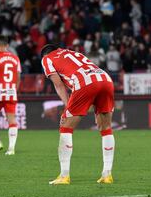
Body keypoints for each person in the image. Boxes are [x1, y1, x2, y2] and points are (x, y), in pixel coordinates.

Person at [41, 44, 115, 185]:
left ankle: (64, 176)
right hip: (105, 78)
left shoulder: (47, 59)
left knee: (65, 128)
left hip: (84, 82)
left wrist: (67, 106)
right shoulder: (73, 53)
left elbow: (58, 85)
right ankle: (107, 174)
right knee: (106, 128)